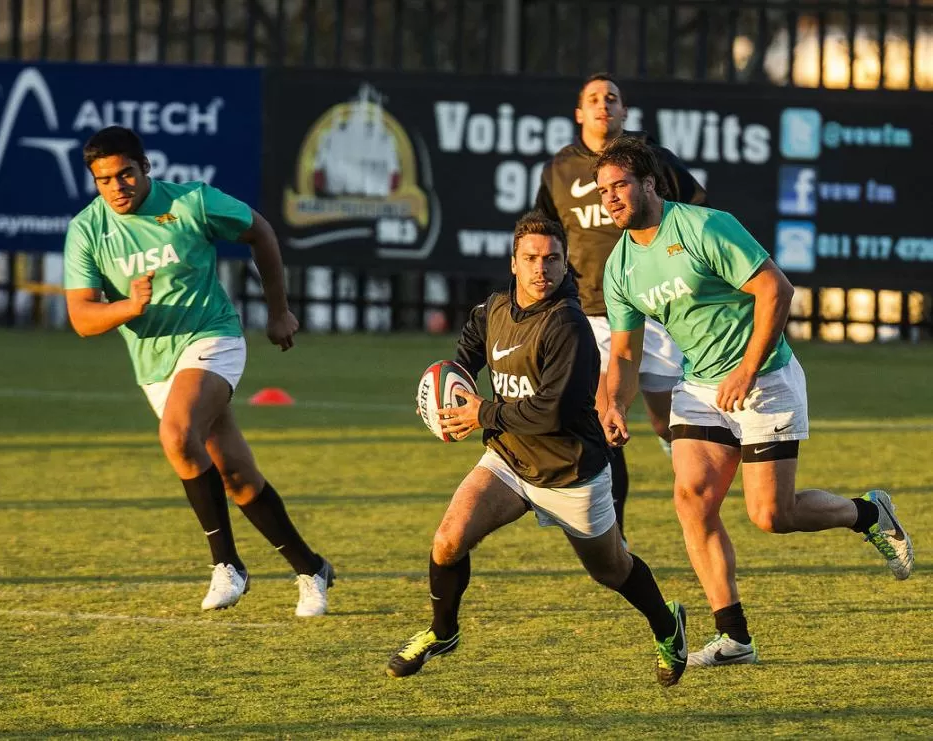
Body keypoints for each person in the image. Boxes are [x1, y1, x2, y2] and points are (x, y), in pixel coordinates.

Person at [594, 136, 914, 667]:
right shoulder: (619, 266)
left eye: (620, 185)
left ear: (649, 183)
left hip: (765, 376)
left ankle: (867, 513)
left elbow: (776, 290)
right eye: (602, 190)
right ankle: (734, 638)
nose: (610, 198)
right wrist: (612, 403)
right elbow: (624, 354)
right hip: (700, 387)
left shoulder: (703, 226)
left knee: (771, 515)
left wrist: (746, 368)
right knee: (692, 500)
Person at [386, 210, 688, 687]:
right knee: (448, 538)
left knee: (612, 569)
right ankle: (442, 632)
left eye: (552, 259)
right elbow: (466, 352)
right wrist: (447, 383)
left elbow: (551, 413)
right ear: (513, 263)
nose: (541, 269)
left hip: (570, 471)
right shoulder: (493, 311)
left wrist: (480, 413)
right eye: (531, 258)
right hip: (507, 458)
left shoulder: (567, 326)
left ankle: (667, 625)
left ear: (567, 265)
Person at [63, 126, 335, 616]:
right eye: (104, 180)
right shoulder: (87, 229)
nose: (116, 186)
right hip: (154, 364)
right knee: (235, 474)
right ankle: (311, 568)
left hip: (213, 337)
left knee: (177, 434)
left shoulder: (192, 202)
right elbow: (82, 318)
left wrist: (278, 312)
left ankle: (227, 565)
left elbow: (261, 231)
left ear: (145, 168)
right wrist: (129, 306)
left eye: (125, 173)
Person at [535, 72, 706, 543]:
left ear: (624, 111)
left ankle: (695, 482)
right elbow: (544, 234)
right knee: (606, 415)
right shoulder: (560, 169)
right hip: (592, 311)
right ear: (579, 113)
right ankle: (619, 537)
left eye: (612, 98)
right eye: (593, 99)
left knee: (664, 420)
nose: (603, 105)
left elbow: (699, 211)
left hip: (655, 308)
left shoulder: (650, 159)